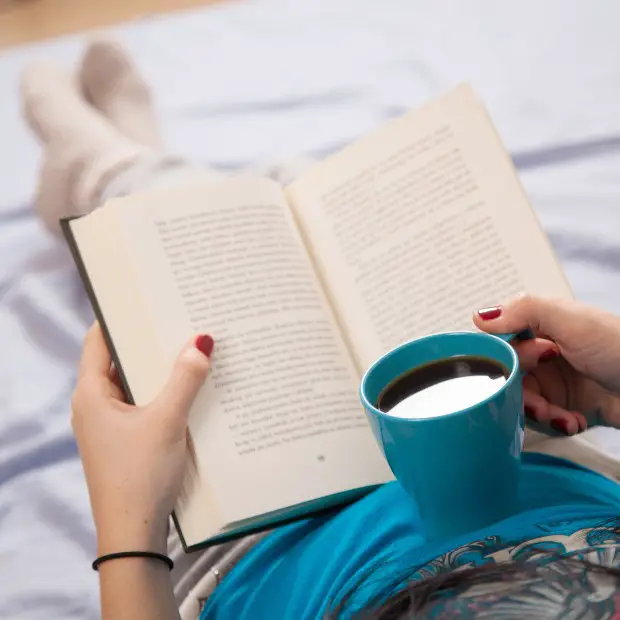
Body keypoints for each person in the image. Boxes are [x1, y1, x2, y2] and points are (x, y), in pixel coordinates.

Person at [21, 40, 620, 620]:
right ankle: (157, 170)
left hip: (269, 538)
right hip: (515, 448)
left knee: (215, 253)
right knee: (340, 225)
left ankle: (107, 167)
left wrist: (126, 524)